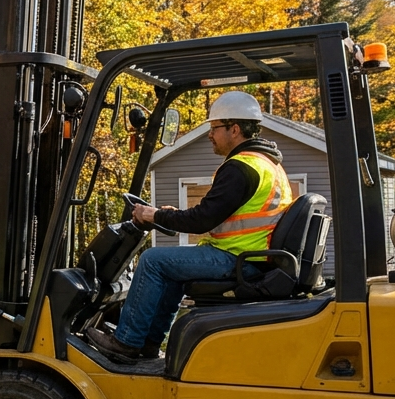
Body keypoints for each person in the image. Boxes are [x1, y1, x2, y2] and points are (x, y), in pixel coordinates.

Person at [86, 91, 292, 364]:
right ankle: (148, 345)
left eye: (214, 128)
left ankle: (126, 341)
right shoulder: (267, 164)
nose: (210, 135)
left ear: (235, 129)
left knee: (152, 261)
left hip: (239, 260)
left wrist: (154, 215)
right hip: (249, 256)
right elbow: (213, 214)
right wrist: (166, 215)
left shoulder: (241, 168)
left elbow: (201, 220)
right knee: (172, 271)